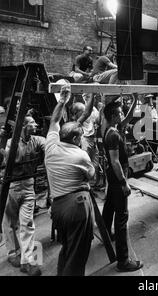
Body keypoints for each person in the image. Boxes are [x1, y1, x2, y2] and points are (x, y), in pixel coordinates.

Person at [45, 82, 95, 276]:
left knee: (67, 248)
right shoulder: (80, 155)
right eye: (80, 136)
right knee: (78, 254)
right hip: (76, 205)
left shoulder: (51, 146)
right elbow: (92, 176)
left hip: (57, 207)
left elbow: (54, 122)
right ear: (75, 139)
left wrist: (62, 101)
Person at [102, 98, 143, 272]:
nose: (122, 115)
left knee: (109, 206)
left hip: (112, 177)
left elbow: (127, 117)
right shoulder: (113, 135)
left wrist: (134, 100)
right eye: (119, 112)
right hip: (117, 176)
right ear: (113, 116)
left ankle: (105, 235)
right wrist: (123, 183)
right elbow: (115, 161)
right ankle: (123, 260)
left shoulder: (112, 129)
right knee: (121, 217)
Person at [0, 116, 45, 276]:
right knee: (10, 222)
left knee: (27, 223)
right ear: (24, 126)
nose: (36, 124)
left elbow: (47, 145)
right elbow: (16, 158)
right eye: (32, 123)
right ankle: (13, 254)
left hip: (28, 184)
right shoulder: (10, 142)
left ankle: (27, 261)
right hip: (11, 184)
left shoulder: (36, 140)